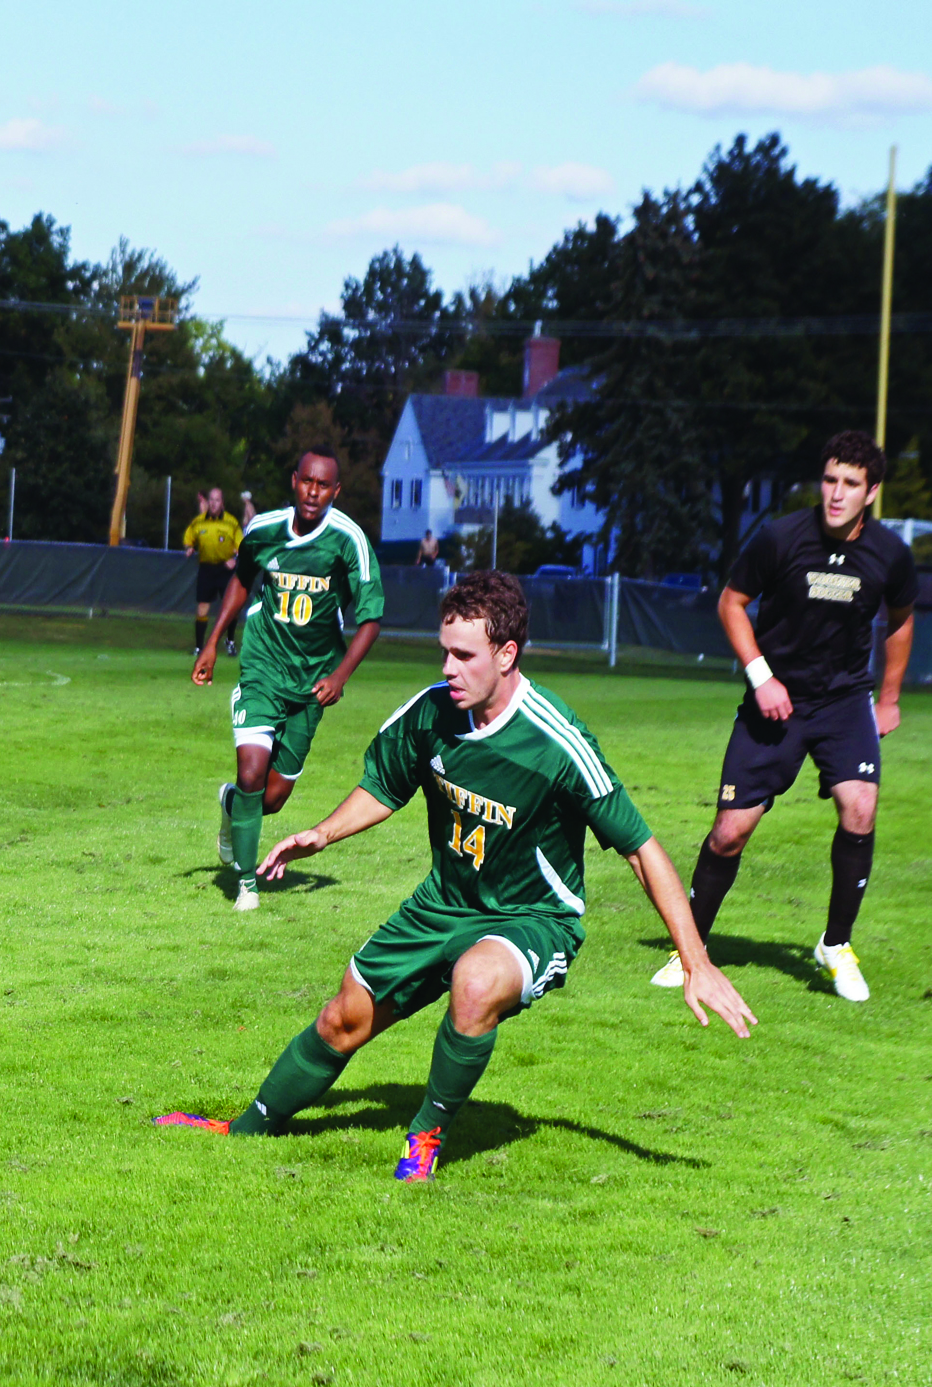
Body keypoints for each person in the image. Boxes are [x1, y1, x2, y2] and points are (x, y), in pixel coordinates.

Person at [158, 571, 757, 1180]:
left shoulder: (557, 741)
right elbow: (384, 786)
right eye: (444, 651)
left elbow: (642, 850)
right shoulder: (432, 713)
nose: (448, 667)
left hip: (531, 919)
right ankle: (242, 1129)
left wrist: (695, 962)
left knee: (473, 985)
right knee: (343, 1018)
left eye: (464, 655)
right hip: (443, 904)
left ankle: (424, 1138)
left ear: (506, 655)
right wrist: (322, 833)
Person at [649, 431, 916, 1002]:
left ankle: (836, 945)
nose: (836, 494)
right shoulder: (780, 538)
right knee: (729, 833)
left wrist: (889, 698)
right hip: (777, 700)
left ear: (871, 492)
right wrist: (761, 676)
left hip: (844, 701)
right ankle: (690, 948)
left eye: (850, 484)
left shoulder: (890, 554)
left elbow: (900, 619)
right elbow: (731, 603)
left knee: (860, 808)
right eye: (829, 480)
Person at [194, 452, 384, 911]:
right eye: (307, 482)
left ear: (335, 492)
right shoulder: (264, 528)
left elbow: (372, 617)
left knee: (272, 798)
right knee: (252, 774)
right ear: (294, 481)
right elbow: (241, 578)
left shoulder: (348, 540)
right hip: (262, 667)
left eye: (324, 486)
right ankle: (246, 886)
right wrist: (214, 641)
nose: (314, 492)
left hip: (312, 683)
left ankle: (231, 806)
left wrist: (340, 676)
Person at [183, 488, 242, 657]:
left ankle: (230, 641)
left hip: (225, 569)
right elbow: (189, 538)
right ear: (207, 502)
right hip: (206, 568)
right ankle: (199, 647)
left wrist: (234, 558)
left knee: (232, 608)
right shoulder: (199, 522)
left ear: (222, 503)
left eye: (217, 500)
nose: (214, 503)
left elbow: (242, 545)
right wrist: (189, 548)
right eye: (211, 500)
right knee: (202, 608)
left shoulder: (231, 522)